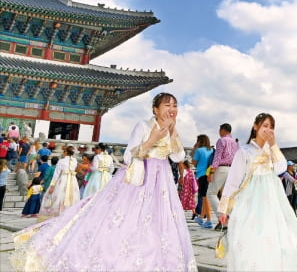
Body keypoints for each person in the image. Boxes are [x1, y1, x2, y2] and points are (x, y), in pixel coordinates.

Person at [10, 92, 197, 271]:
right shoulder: (143, 126)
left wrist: (172, 135)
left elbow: (178, 156)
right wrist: (151, 140)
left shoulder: (172, 130)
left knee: (160, 222)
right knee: (127, 220)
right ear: (155, 109)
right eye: (167, 105)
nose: (172, 109)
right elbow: (128, 157)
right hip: (139, 180)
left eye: (175, 105)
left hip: (162, 182)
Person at [217, 113, 297, 271]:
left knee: (278, 236)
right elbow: (233, 180)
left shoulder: (271, 150)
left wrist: (273, 145)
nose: (268, 129)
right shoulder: (244, 151)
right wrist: (224, 208)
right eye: (265, 125)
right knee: (251, 237)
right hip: (250, 197)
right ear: (255, 126)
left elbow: (281, 168)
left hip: (273, 197)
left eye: (271, 127)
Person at [207, 123, 238, 229]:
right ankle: (230, 217)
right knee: (226, 195)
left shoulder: (221, 140)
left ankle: (222, 218)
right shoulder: (235, 142)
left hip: (221, 168)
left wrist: (211, 172)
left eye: (220, 130)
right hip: (232, 169)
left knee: (211, 193)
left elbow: (217, 157)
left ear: (223, 130)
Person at [38, 145, 80, 220]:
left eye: (64, 151)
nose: (63, 153)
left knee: (59, 196)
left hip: (63, 179)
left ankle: (57, 214)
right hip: (72, 180)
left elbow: (56, 174)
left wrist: (52, 185)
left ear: (66, 152)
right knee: (72, 196)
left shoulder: (61, 161)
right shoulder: (75, 161)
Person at [192, 134, 215, 229]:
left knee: (205, 197)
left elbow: (194, 162)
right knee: (206, 197)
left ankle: (209, 220)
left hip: (202, 174)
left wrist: (195, 149)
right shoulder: (211, 150)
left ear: (200, 141)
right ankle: (201, 217)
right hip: (210, 174)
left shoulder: (199, 150)